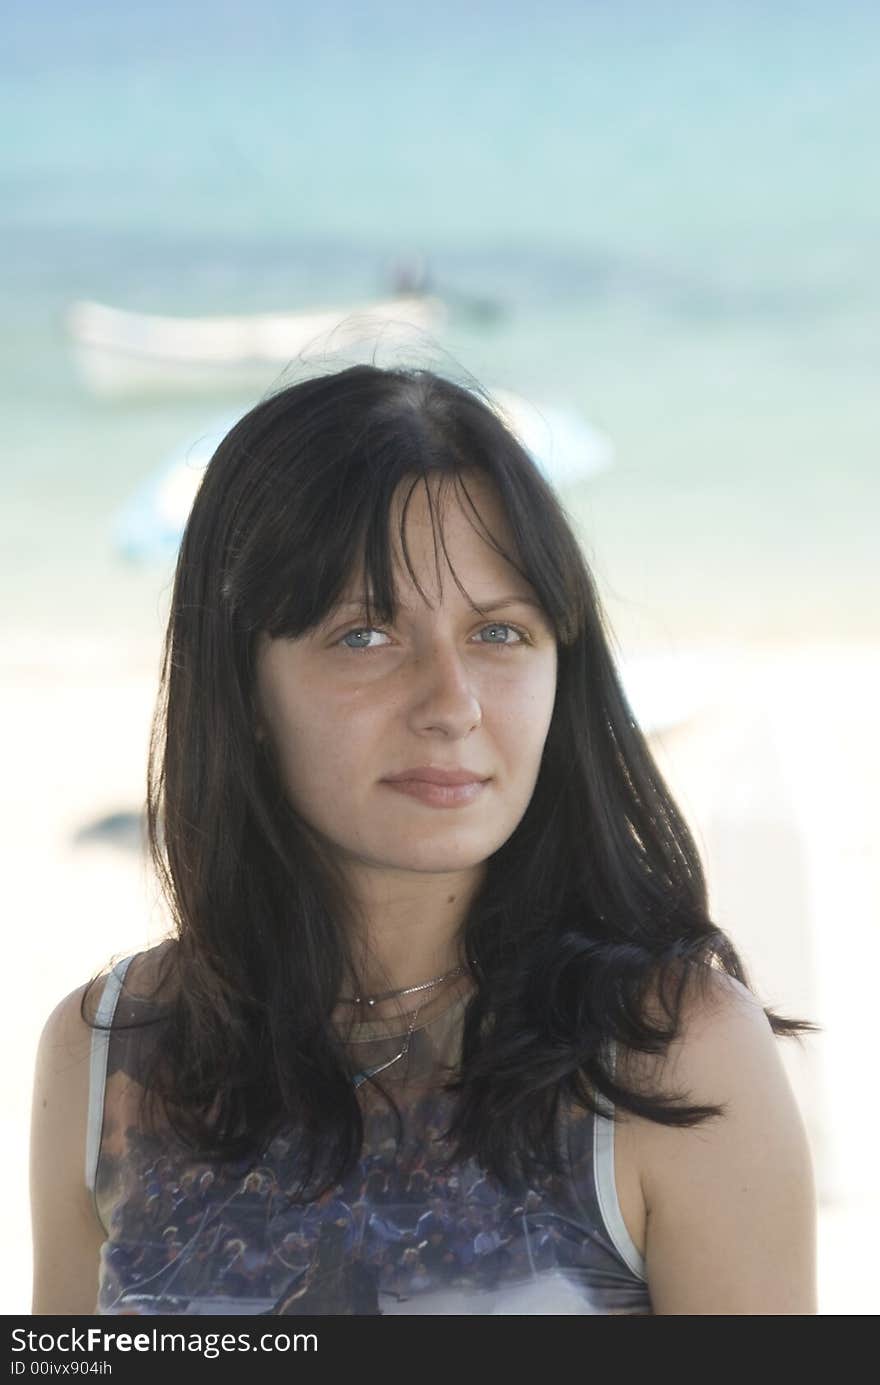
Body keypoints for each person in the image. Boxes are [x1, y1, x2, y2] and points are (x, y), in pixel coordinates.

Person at [29, 363, 818, 1316]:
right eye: (365, 634)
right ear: (242, 688)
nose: (452, 704)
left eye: (500, 633)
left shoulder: (670, 1058)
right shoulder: (108, 1060)